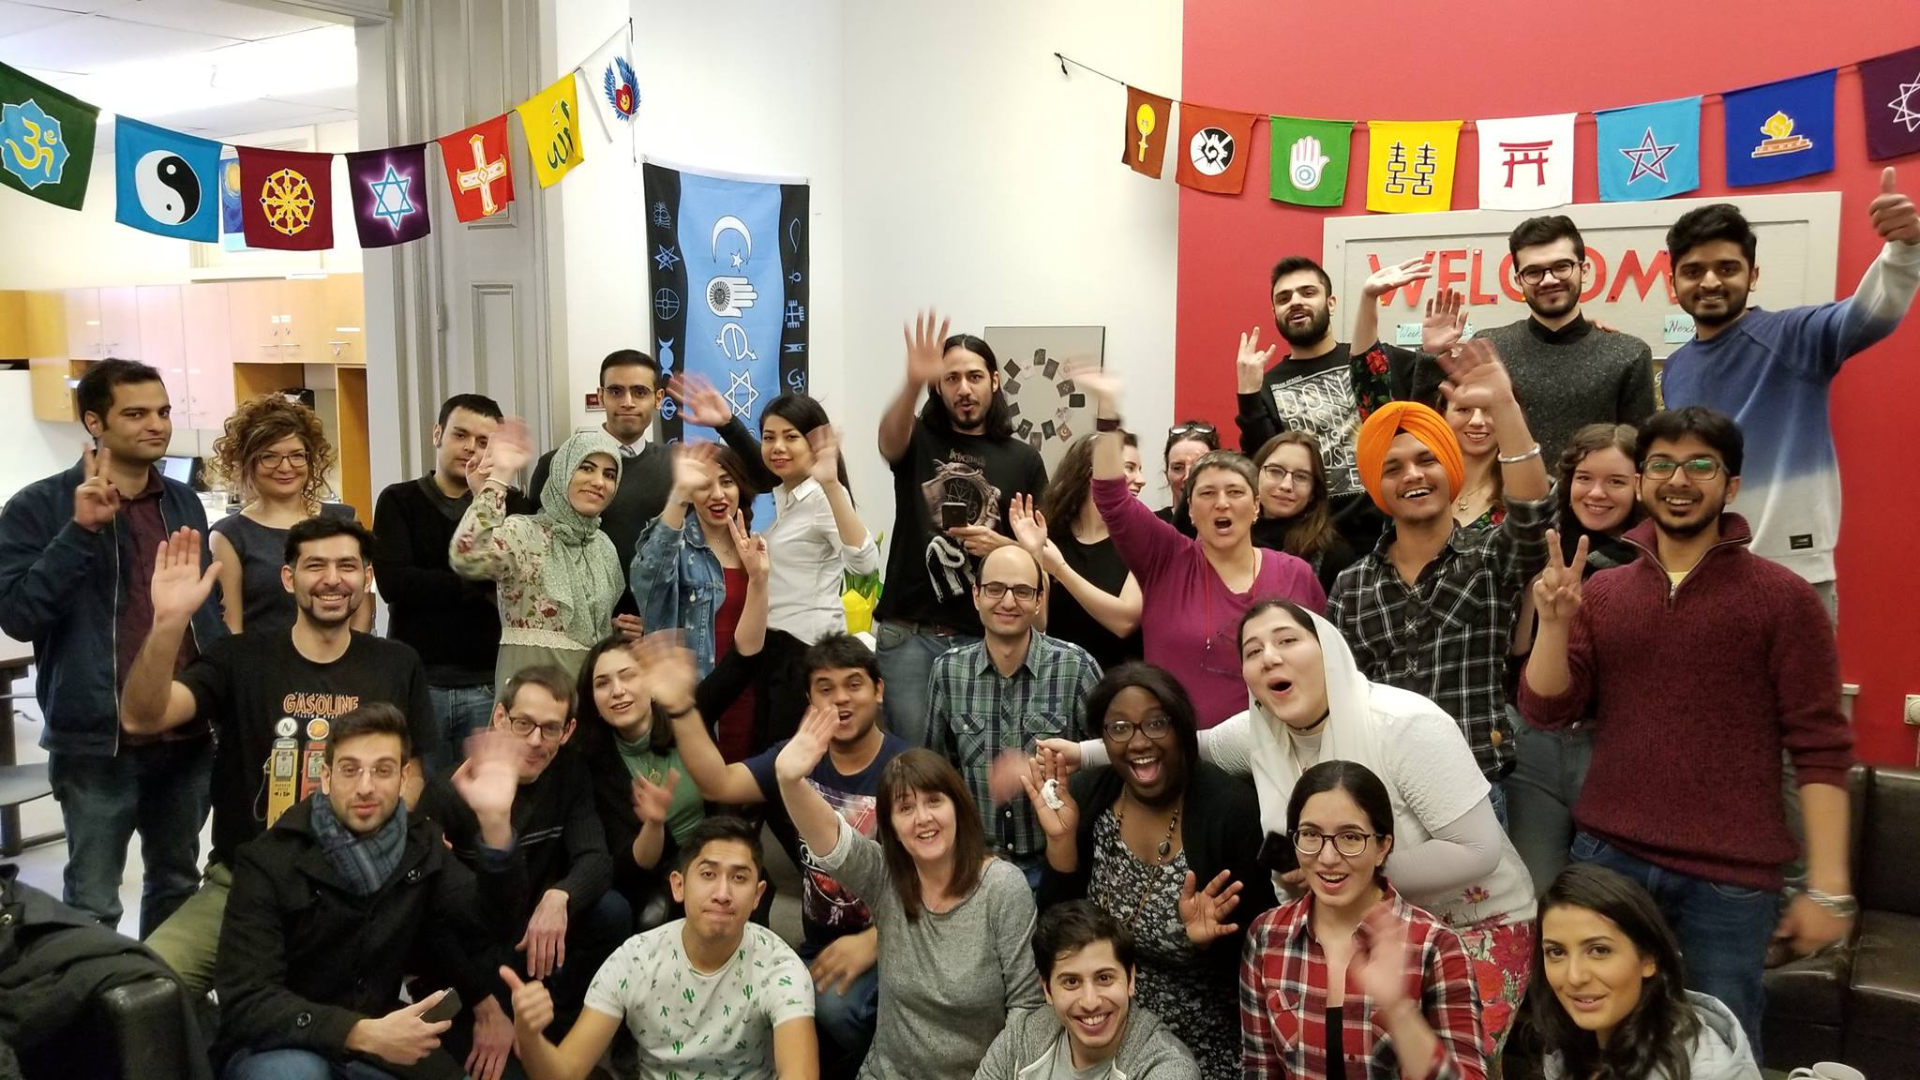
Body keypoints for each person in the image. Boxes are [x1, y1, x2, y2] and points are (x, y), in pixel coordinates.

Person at [1519, 406, 1855, 1055]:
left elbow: (1820, 748)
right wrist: (1554, 623)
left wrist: (1829, 889)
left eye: (1701, 465)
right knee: (1594, 1044)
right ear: (1643, 482)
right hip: (1607, 860)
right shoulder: (1607, 593)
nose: (1680, 479)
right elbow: (1547, 709)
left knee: (1715, 1050)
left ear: (1729, 486)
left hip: (1727, 885)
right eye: (1663, 465)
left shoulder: (1784, 601)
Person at [1058, 600, 1535, 1051]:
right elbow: (1183, 743)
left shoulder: (1405, 726)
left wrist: (1338, 875)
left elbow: (1477, 851)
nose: (1269, 658)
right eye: (1252, 650)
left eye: (1286, 640)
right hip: (1353, 930)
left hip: (1473, 925)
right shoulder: (1259, 732)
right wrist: (1079, 753)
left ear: (1328, 647)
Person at [122, 516, 436, 994]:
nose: (332, 579)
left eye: (347, 565)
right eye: (315, 566)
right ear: (289, 578)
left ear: (366, 576)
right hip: (243, 882)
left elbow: (412, 771)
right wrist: (167, 625)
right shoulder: (240, 658)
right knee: (140, 990)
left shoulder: (398, 662)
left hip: (356, 885)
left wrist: (383, 844)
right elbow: (143, 717)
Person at [0, 358, 224, 933]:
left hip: (185, 735)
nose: (157, 424)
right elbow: (20, 617)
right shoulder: (37, 507)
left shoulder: (182, 502)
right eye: (137, 413)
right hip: (98, 741)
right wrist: (81, 531)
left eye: (164, 411)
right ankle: (95, 1017)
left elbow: (201, 617)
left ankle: (162, 1013)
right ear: (95, 422)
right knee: (94, 901)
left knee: (177, 881)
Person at [651, 632, 907, 1078]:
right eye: (825, 688)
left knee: (830, 1009)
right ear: (808, 698)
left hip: (897, 940)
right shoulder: (798, 758)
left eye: (854, 684)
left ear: (878, 690)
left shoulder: (908, 767)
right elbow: (719, 782)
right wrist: (681, 707)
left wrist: (874, 942)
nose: (841, 699)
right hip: (818, 942)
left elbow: (939, 883)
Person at [1660, 169, 1920, 610]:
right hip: (1703, 571)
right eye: (1693, 271)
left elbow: (1871, 313)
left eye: (1726, 268)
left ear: (1753, 274)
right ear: (1673, 284)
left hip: (1795, 573)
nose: (1709, 282)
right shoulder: (1676, 368)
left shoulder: (1797, 335)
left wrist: (1905, 249)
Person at [214, 708, 521, 1080]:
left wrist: (495, 824)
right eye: (349, 769)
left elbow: (488, 925)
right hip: (280, 1044)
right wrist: (357, 1032)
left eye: (382, 769)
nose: (365, 786)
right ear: (325, 777)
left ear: (404, 778)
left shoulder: (421, 845)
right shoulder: (269, 858)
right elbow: (247, 1000)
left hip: (379, 1041)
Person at [1328, 339, 1552, 801]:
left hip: (1476, 784)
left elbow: (1532, 509)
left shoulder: (1492, 557)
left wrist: (1505, 407)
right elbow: (1339, 697)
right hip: (1381, 792)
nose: (1412, 475)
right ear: (1377, 486)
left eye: (1427, 459)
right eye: (1392, 468)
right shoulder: (1351, 586)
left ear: (1449, 467)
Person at [1029, 664, 1273, 1078]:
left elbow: (1263, 957)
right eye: (1120, 728)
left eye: (1156, 724)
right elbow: (1058, 932)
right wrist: (1061, 841)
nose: (1140, 742)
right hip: (1097, 1021)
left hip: (1199, 1043)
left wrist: (1205, 943)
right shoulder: (1092, 796)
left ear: (1181, 728)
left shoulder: (1231, 811)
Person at [776, 719, 1045, 1080]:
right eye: (905, 808)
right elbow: (832, 841)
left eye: (934, 801)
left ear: (958, 808)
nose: (923, 818)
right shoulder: (885, 875)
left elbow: (1026, 1010)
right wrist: (790, 780)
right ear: (892, 829)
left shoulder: (1002, 887)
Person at [1080, 366, 1325, 728]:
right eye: (1207, 494)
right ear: (1190, 510)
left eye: (1235, 492)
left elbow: (1324, 668)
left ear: (1256, 506)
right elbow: (1110, 496)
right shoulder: (1166, 559)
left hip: (1276, 754)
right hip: (1177, 758)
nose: (1222, 503)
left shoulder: (1296, 575)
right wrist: (1108, 412)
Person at [502, 816, 819, 1080]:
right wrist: (529, 1037)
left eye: (739, 878)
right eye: (708, 874)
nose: (723, 893)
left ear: (757, 895)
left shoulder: (781, 968)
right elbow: (565, 1073)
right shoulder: (634, 959)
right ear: (678, 886)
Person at [415, 665, 627, 1045]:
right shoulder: (449, 791)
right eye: (523, 723)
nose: (534, 740)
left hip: (531, 936)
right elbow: (428, 915)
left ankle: (558, 1032)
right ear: (499, 717)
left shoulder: (569, 772)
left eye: (549, 728)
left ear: (568, 732)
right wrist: (484, 1003)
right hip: (469, 949)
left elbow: (596, 858)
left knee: (611, 911)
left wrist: (560, 895)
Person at [1239, 760, 1486, 1080]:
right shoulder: (1266, 936)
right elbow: (1260, 1069)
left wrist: (1399, 1012)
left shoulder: (1435, 947)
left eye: (1351, 838)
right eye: (1311, 834)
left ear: (1383, 847)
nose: (1328, 857)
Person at [673, 380, 881, 746]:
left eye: (790, 437)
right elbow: (759, 469)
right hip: (775, 650)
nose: (777, 447)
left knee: (788, 765)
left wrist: (832, 486)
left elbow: (864, 563)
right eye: (769, 437)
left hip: (805, 653)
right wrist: (726, 423)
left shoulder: (820, 497)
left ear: (813, 443)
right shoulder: (788, 496)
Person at [875, 311, 1050, 745]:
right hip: (911, 635)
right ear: (939, 386)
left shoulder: (1023, 459)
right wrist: (913, 381)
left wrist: (1000, 545)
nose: (964, 389)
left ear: (994, 380)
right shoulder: (918, 439)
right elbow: (888, 441)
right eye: (951, 379)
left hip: (986, 635)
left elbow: (1040, 548)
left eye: (974, 376)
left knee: (978, 757)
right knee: (916, 763)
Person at [1397, 217, 1657, 463]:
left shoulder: (1628, 354)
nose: (1549, 279)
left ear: (1583, 269)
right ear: (1518, 280)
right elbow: (1431, 429)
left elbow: (1639, 455)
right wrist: (1433, 354)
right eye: (1533, 272)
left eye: (1561, 267)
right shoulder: (1488, 347)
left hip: (1592, 503)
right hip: (1500, 505)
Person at [1506, 424, 1641, 890]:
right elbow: (1518, 656)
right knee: (1535, 894)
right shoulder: (1546, 543)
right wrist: (1533, 594)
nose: (1597, 493)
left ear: (1641, 485)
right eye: (1584, 478)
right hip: (1534, 744)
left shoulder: (1653, 559)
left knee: (1607, 898)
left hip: (1612, 748)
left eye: (1616, 481)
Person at [926, 545, 1102, 883]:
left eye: (1022, 591)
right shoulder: (948, 671)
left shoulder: (1076, 667)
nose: (1008, 602)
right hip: (977, 863)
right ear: (976, 595)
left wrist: (1045, 768)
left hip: (1057, 860)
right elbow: (937, 770)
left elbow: (1111, 764)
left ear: (1038, 601)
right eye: (995, 589)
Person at [373, 393, 525, 776]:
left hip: (490, 683)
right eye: (461, 435)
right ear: (437, 434)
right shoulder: (398, 500)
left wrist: (439, 583)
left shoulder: (516, 507)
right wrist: (477, 584)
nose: (471, 448)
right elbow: (395, 584)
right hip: (420, 682)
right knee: (419, 796)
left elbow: (518, 584)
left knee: (482, 798)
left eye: (484, 441)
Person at [1235, 256, 1423, 551]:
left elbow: (1429, 417)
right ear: (1275, 313)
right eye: (1284, 298)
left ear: (1331, 303)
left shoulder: (1375, 359)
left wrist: (1435, 351)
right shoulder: (1267, 384)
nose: (1295, 301)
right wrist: (1247, 395)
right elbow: (1263, 465)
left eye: (1308, 292)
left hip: (1393, 532)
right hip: (1314, 542)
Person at [1511, 863, 1760, 1080]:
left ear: (1649, 958)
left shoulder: (1706, 1073)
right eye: (1556, 952)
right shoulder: (1573, 1045)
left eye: (1599, 950)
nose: (1574, 977)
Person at [453, 423, 625, 690]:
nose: (599, 482)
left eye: (610, 474)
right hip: (529, 703)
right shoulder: (524, 532)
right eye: (586, 468)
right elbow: (467, 555)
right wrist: (498, 477)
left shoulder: (604, 547)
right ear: (562, 472)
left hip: (587, 705)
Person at [630, 441, 762, 759]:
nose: (717, 495)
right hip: (695, 699)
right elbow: (648, 583)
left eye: (726, 482)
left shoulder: (757, 546)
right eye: (703, 485)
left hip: (752, 697)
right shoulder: (677, 543)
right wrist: (678, 496)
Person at [973, 901, 1201, 1080]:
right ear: (1047, 991)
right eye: (1071, 982)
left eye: (1104, 978)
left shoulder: (1168, 1067)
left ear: (1131, 980)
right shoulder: (1021, 1036)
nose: (1090, 1002)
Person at [526, 350, 673, 615]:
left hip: (655, 628)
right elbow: (534, 548)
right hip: (573, 626)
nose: (628, 402)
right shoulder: (557, 464)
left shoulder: (677, 467)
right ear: (601, 395)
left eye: (640, 392)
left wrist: (726, 424)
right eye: (616, 391)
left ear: (658, 398)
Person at [209, 392, 367, 637]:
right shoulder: (229, 536)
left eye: (296, 456)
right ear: (246, 462)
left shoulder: (345, 520)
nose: (285, 467)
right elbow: (232, 626)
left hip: (344, 666)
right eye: (269, 457)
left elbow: (361, 610)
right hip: (266, 668)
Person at [1007, 437, 1143, 672]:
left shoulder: (1142, 538)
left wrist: (1061, 569)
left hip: (1119, 684)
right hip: (1060, 682)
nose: (1141, 480)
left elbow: (1126, 621)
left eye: (1139, 470)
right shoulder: (1053, 535)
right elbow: (1040, 623)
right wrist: (1034, 554)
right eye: (1129, 468)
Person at [1248, 431, 1359, 593]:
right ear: (1255, 475)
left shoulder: (1333, 555)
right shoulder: (1229, 539)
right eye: (1275, 471)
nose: (1286, 485)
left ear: (1314, 491)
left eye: (1301, 477)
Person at [1152, 421, 1219, 535]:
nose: (1188, 476)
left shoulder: (1230, 526)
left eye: (1198, 467)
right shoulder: (1151, 527)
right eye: (1178, 468)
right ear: (1166, 474)